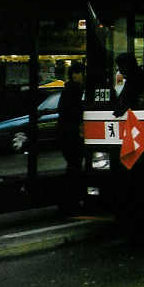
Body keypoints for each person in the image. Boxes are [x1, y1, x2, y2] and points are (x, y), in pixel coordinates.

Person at [57, 62, 85, 213]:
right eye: (76, 73)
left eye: (78, 73)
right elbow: (77, 112)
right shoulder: (76, 90)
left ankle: (68, 202)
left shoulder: (67, 89)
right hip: (72, 135)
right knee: (74, 168)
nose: (78, 76)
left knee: (72, 168)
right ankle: (71, 202)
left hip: (66, 135)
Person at [113, 52, 142, 117]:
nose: (120, 71)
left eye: (121, 67)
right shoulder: (130, 78)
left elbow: (129, 98)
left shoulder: (136, 79)